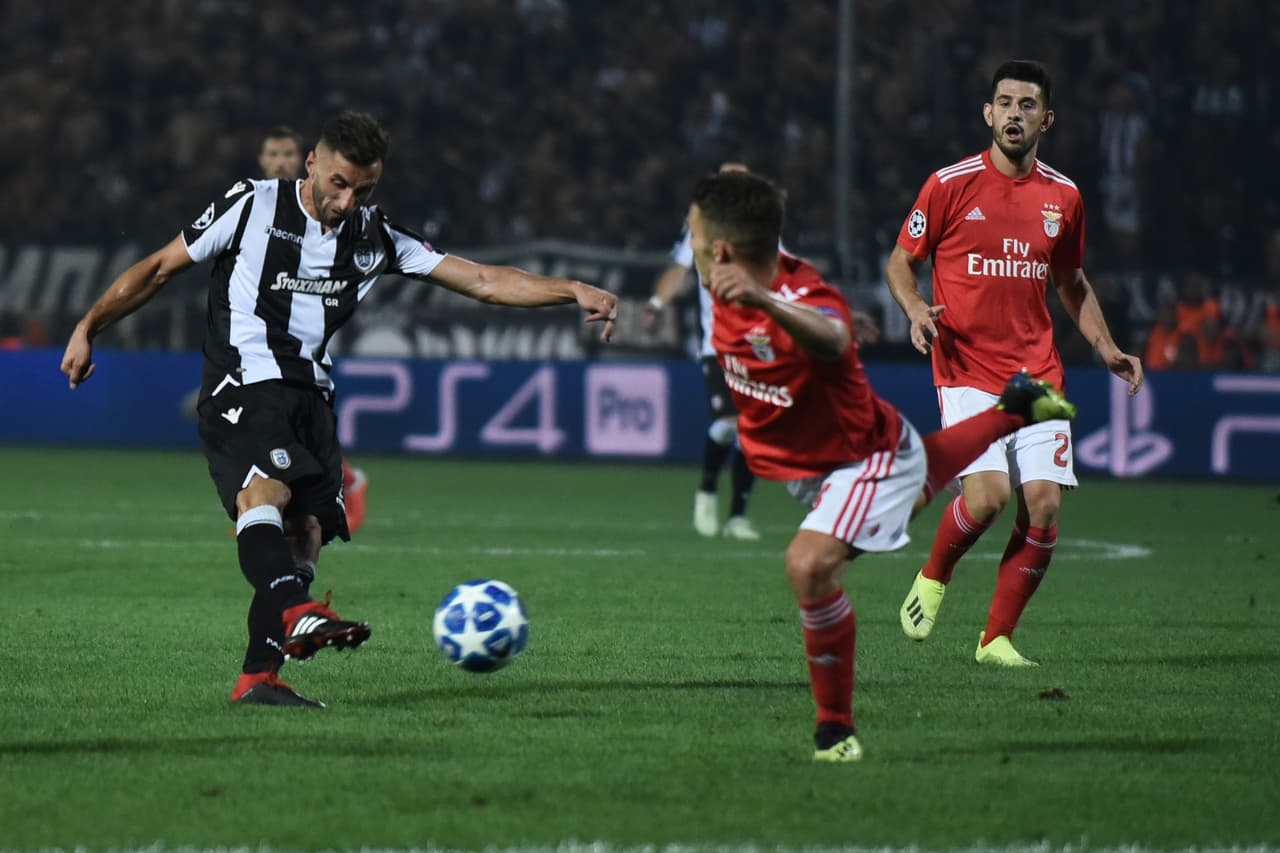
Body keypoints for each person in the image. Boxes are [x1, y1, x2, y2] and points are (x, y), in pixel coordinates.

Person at [61, 111, 618, 708]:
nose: (348, 200)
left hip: (313, 399)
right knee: (265, 495)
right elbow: (158, 268)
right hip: (244, 383)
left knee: (306, 534)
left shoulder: (376, 238)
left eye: (365, 189)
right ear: (313, 165)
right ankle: (297, 613)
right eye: (339, 184)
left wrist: (571, 289)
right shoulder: (251, 206)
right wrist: (89, 325)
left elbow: (482, 279)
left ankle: (260, 679)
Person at [689, 170, 1076, 762]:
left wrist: (764, 299)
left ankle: (835, 732)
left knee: (809, 565)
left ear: (720, 252)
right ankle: (1015, 409)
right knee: (919, 482)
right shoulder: (748, 264)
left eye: (692, 238)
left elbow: (833, 335)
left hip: (861, 459)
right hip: (809, 464)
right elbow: (763, 227)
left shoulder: (781, 295)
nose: (689, 248)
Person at [885, 60, 1143, 666]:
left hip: (1036, 372)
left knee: (1046, 505)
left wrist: (1106, 348)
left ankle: (996, 638)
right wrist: (917, 308)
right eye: (1004, 103)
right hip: (966, 368)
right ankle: (935, 572)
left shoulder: (1064, 197)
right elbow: (900, 263)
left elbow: (1072, 282)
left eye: (1028, 105)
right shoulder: (948, 185)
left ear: (1046, 120)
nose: (1014, 114)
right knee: (989, 496)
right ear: (987, 113)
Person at [256, 125, 370, 535]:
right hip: (257, 349)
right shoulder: (258, 208)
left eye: (287, 153)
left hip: (301, 350)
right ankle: (264, 505)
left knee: (288, 432)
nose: (280, 161)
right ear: (262, 160)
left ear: (304, 160)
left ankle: (333, 485)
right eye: (273, 154)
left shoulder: (327, 215)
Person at [644, 164, 760, 540]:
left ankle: (738, 516)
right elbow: (677, 271)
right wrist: (658, 304)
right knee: (732, 421)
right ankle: (708, 489)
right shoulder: (701, 231)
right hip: (718, 345)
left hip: (759, 345)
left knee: (751, 431)